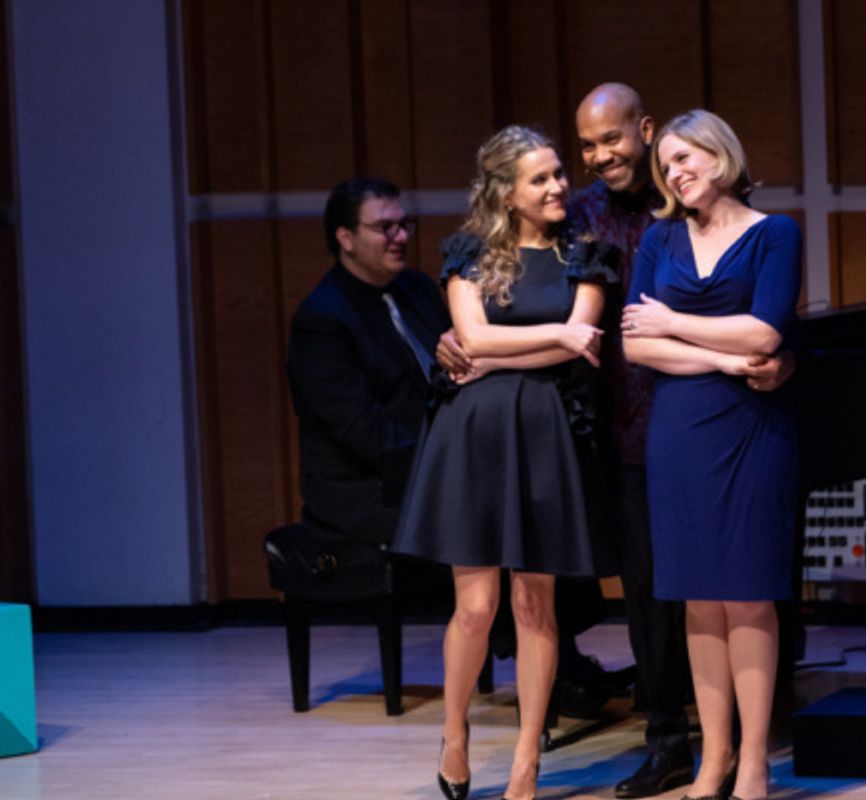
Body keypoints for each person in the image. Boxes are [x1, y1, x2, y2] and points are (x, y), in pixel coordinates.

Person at [571, 85, 794, 798]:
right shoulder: (664, 237)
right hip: (678, 430)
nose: (673, 173)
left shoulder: (774, 232)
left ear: (720, 154)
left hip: (751, 429)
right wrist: (723, 354)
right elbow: (638, 346)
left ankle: (755, 761)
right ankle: (713, 760)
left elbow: (766, 331)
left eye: (684, 157)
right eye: (666, 165)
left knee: (749, 597)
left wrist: (677, 322)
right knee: (698, 599)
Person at [392, 126, 617, 800]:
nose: (557, 187)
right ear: (505, 192)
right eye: (540, 179)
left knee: (534, 602)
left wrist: (506, 350)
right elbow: (473, 336)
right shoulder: (468, 253)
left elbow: (578, 348)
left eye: (557, 175)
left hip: (545, 430)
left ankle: (526, 760)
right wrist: (552, 331)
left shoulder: (587, 254)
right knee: (476, 604)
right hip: (476, 432)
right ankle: (455, 733)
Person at [287, 177, 467, 545]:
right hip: (369, 490)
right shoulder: (322, 319)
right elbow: (365, 433)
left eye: (404, 225)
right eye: (385, 228)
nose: (400, 237)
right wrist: (449, 464)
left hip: (426, 468)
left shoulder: (417, 287)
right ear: (346, 238)